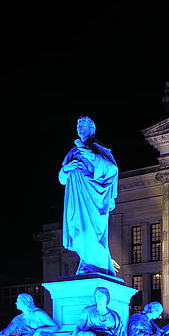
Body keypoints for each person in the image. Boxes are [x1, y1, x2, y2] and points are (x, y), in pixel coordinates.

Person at [59, 116, 118, 276]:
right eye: (78, 126)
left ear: (91, 129)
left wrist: (88, 153)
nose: (79, 129)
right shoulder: (73, 152)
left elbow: (112, 169)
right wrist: (66, 169)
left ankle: (95, 265)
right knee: (79, 233)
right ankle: (87, 264)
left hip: (94, 199)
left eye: (83, 126)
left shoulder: (98, 148)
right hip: (77, 199)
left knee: (91, 233)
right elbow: (62, 179)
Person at [69, 287, 137, 336]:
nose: (99, 296)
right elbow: (78, 327)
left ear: (107, 297)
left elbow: (120, 332)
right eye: (97, 295)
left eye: (101, 294)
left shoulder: (114, 315)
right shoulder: (88, 311)